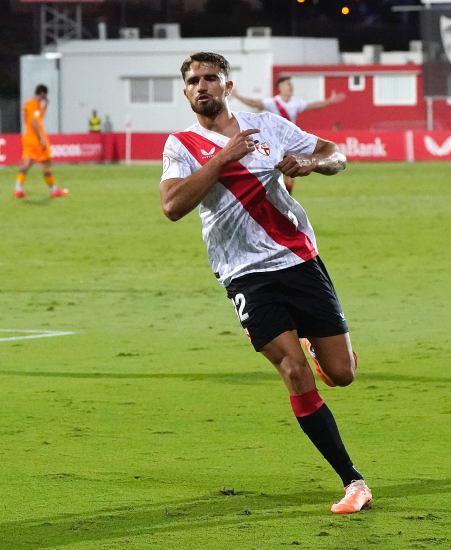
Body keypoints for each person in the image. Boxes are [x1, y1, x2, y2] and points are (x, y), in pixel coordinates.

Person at [158, 52, 371, 514]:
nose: (202, 86)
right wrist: (221, 158)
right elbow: (172, 207)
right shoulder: (181, 145)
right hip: (244, 274)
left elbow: (335, 155)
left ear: (227, 86)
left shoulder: (269, 126)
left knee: (342, 375)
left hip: (297, 258)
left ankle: (323, 351)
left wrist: (311, 164)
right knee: (293, 371)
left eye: (210, 78)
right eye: (193, 80)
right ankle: (353, 481)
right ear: (185, 92)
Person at [232, 76, 345, 194]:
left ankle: (286, 198)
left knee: (291, 173)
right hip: (274, 141)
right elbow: (255, 103)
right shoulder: (273, 102)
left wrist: (330, 101)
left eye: (291, 85)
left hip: (290, 141)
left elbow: (312, 105)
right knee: (273, 170)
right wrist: (237, 96)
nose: (291, 87)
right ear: (280, 88)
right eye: (288, 84)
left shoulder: (295, 103)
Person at [14, 85, 68, 199]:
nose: (45, 97)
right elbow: (34, 122)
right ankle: (53, 190)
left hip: (27, 138)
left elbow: (37, 118)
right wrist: (41, 139)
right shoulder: (34, 105)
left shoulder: (28, 104)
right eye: (45, 95)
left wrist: (45, 106)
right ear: (42, 94)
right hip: (36, 139)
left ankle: (18, 189)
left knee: (26, 163)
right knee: (46, 164)